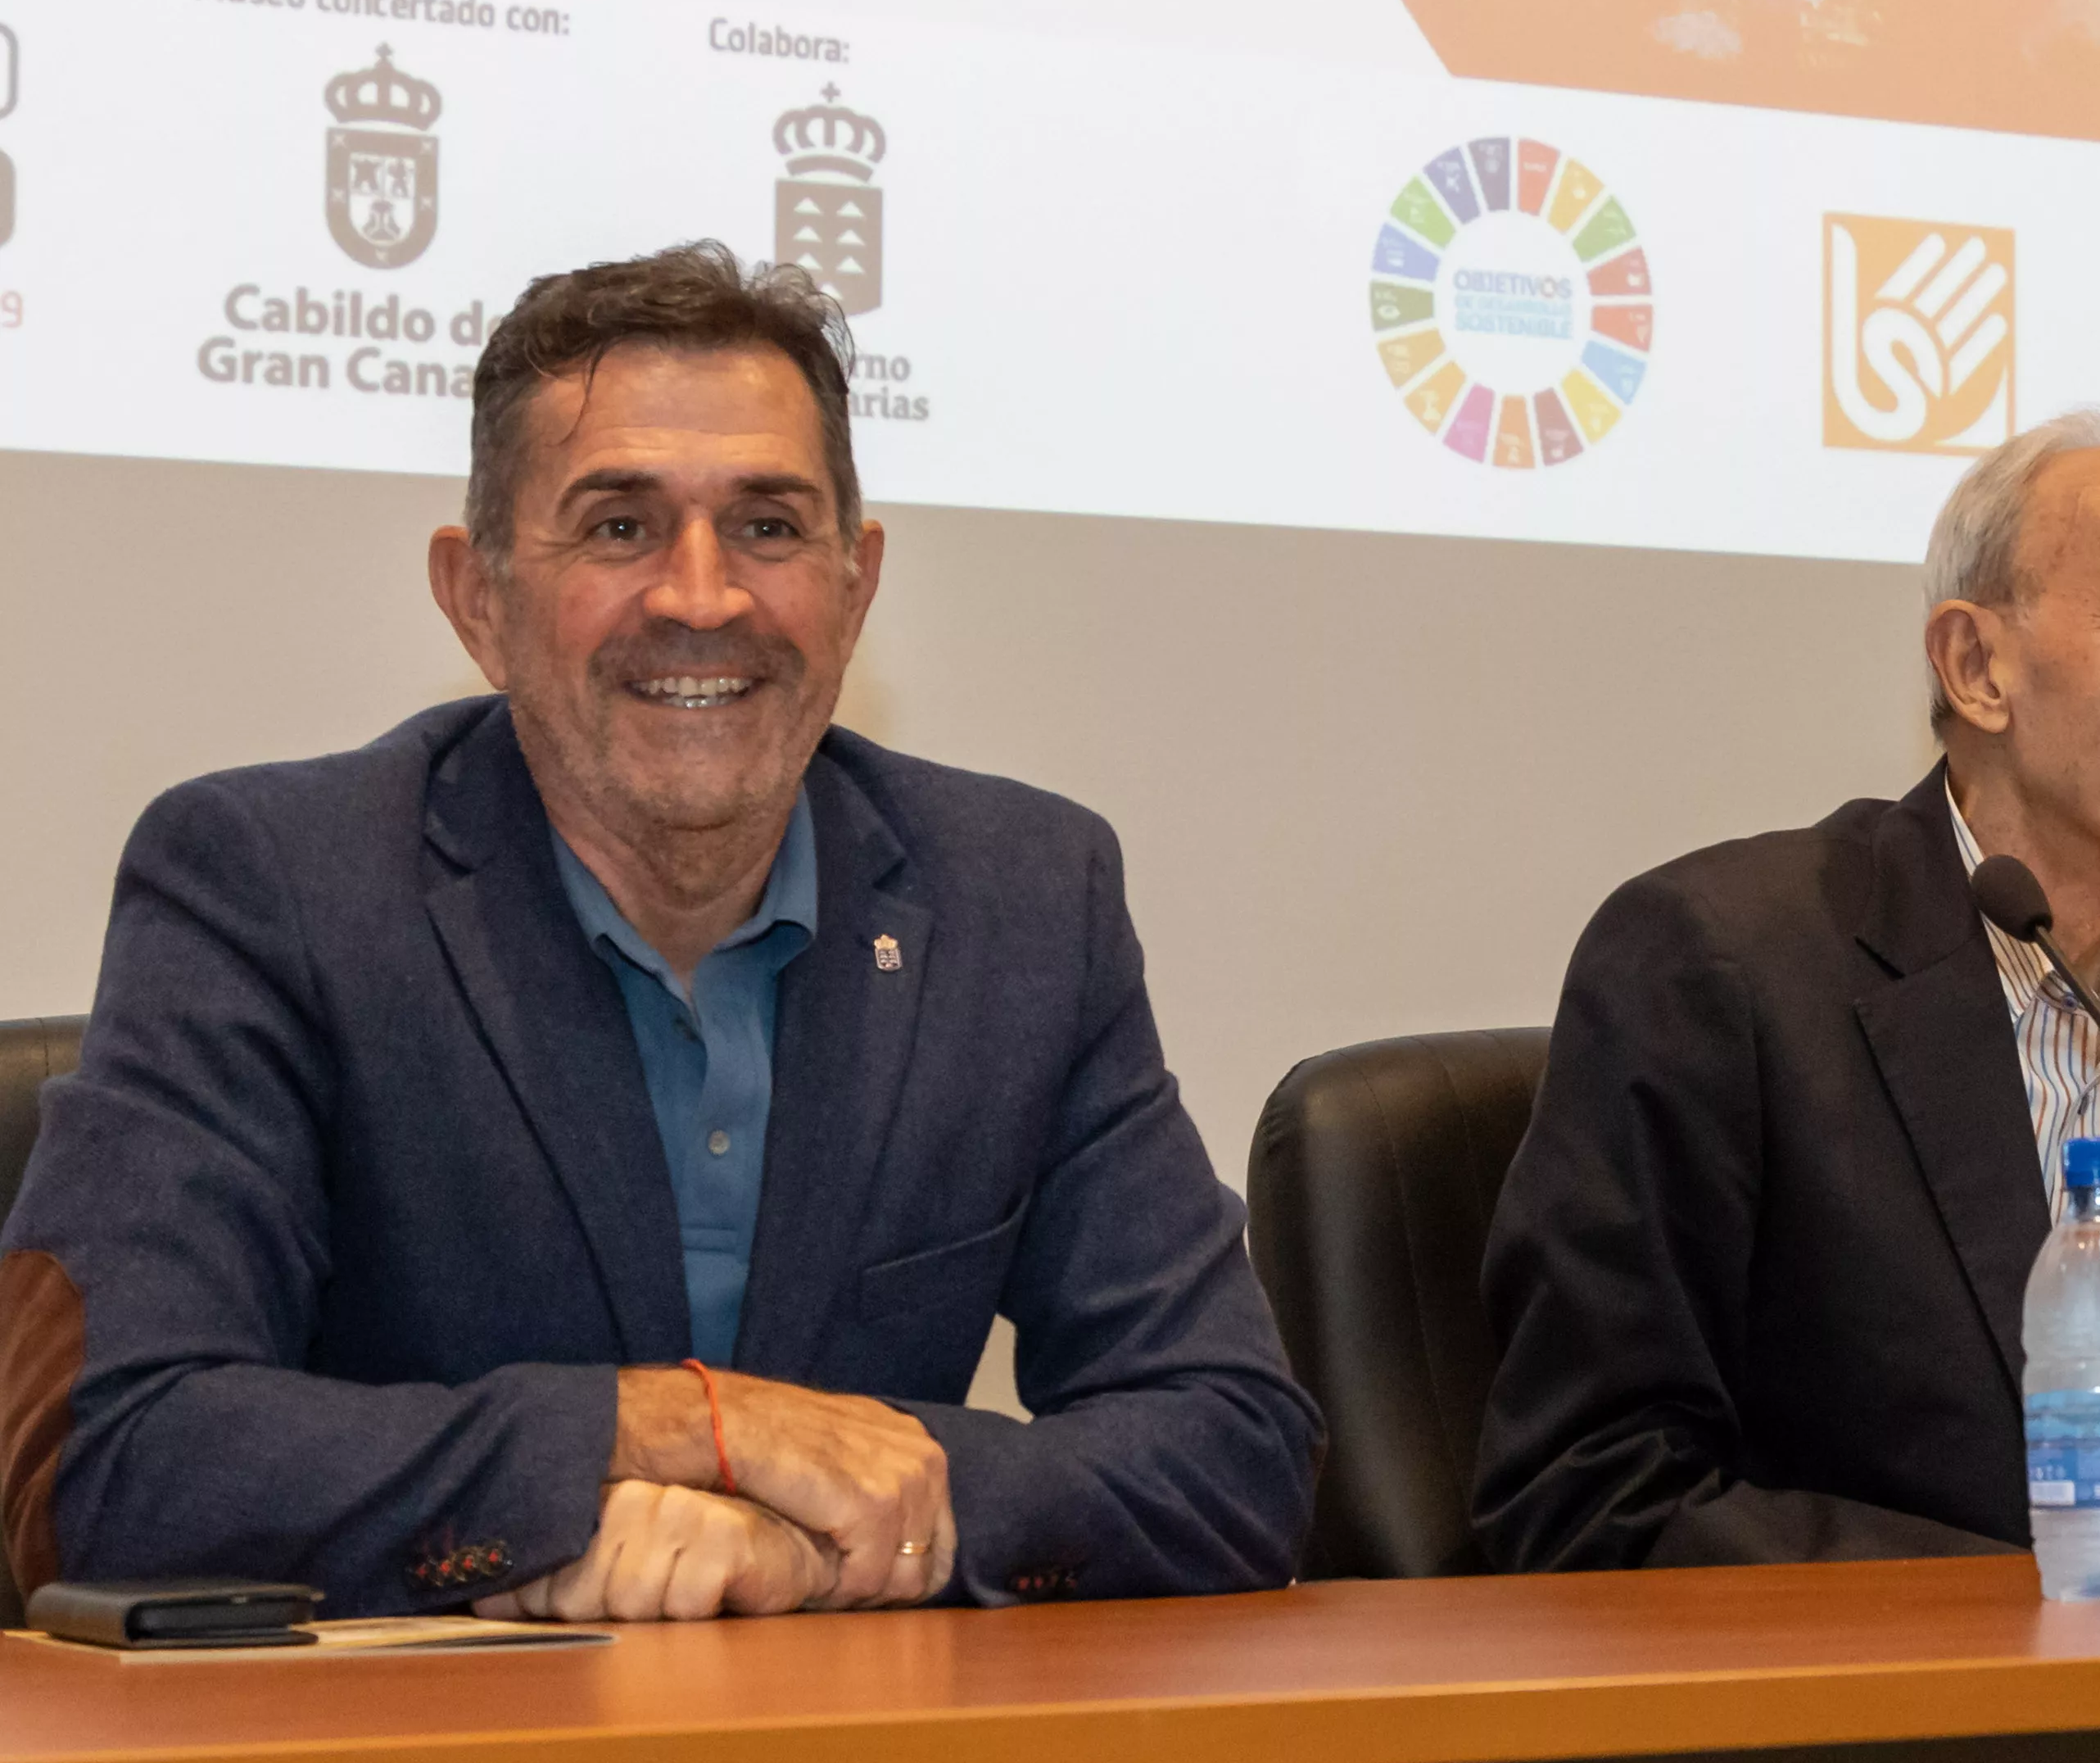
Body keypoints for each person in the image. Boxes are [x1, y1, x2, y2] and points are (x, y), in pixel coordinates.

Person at [0, 245, 1320, 1620]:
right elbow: (108, 1457)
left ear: (856, 587)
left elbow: (1234, 1448)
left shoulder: (1024, 898)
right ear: (480, 600)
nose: (702, 596)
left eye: (767, 526)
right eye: (620, 527)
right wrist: (675, 1430)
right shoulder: (272, 886)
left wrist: (836, 1536)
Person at [1473, 408, 2100, 1567]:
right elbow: (1592, 1495)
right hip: (1861, 1727)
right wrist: (2036, 1616)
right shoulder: (1719, 969)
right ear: (1978, 667)